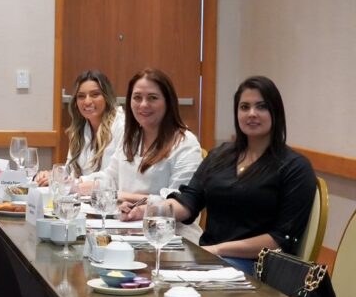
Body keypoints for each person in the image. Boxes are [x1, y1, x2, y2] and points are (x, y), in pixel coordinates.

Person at [165, 76, 316, 274]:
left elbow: (280, 240)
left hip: (257, 267)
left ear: (276, 112)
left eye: (261, 107)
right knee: (156, 268)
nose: (252, 113)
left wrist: (217, 250)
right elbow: (189, 201)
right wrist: (148, 210)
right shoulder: (219, 156)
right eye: (244, 107)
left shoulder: (295, 167)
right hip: (211, 258)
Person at [100, 68, 203, 239]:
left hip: (173, 238)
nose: (143, 105)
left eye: (152, 98)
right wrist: (79, 185)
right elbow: (109, 179)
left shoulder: (186, 143)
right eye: (137, 98)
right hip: (129, 232)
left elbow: (181, 201)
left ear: (168, 102)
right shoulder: (130, 139)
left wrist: (131, 201)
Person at [39, 70, 124, 186]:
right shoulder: (80, 129)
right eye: (81, 96)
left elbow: (115, 176)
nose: (87, 101)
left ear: (107, 97)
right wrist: (53, 174)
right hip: (82, 195)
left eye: (95, 94)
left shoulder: (121, 126)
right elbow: (70, 171)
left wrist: (79, 182)